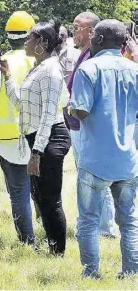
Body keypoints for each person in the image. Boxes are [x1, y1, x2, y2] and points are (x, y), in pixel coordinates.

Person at [70, 19, 138, 279]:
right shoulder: (134, 70)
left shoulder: (88, 69)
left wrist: (70, 107)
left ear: (97, 40)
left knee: (88, 219)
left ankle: (91, 274)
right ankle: (131, 272)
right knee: (129, 220)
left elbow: (82, 112)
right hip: (128, 159)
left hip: (95, 160)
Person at [0, 19, 71, 255]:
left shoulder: (50, 70)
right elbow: (23, 104)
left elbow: (49, 114)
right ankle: (52, 247)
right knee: (40, 198)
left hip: (49, 139)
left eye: (30, 37)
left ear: (42, 43)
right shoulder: (38, 68)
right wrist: (8, 77)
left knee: (50, 200)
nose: (26, 41)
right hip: (39, 138)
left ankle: (57, 252)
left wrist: (37, 152)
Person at [0, 11, 36, 245]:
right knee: (41, 191)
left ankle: (27, 242)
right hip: (39, 135)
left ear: (8, 37)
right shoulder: (40, 60)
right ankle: (48, 233)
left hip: (9, 140)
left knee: (19, 192)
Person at [66, 12, 118, 239]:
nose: (73, 32)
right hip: (79, 127)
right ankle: (99, 226)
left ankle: (105, 229)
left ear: (90, 32)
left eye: (77, 28)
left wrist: (70, 106)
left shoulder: (92, 60)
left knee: (96, 179)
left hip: (87, 127)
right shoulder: (84, 55)